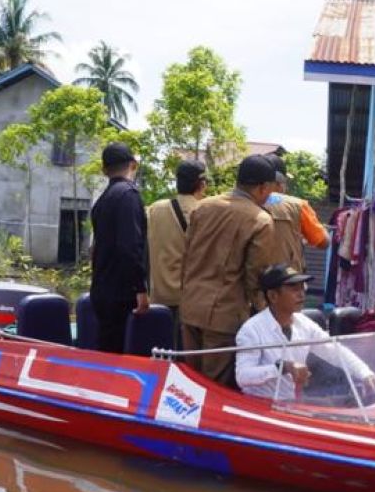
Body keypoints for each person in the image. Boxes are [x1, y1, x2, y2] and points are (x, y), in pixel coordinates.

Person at [180, 155, 279, 387]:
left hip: (190, 308)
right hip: (225, 316)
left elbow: (186, 257)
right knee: (214, 389)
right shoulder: (260, 219)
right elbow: (256, 275)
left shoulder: (202, 207)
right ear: (263, 187)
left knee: (188, 385)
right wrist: (265, 314)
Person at [235, 264, 375, 400]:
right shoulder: (251, 330)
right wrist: (282, 367)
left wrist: (365, 373)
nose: (301, 294)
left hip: (293, 404)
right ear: (273, 296)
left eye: (302, 288)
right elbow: (242, 377)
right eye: (294, 289)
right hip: (260, 406)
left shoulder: (305, 324)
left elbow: (335, 350)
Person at [90, 141, 149, 354]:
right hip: (122, 293)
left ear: (104, 170)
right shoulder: (129, 196)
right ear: (133, 165)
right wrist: (140, 289)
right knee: (121, 354)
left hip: (101, 288)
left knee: (105, 349)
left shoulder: (102, 200)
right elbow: (130, 247)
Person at [147, 159, 209, 332]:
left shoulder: (155, 209)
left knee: (159, 351)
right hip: (189, 299)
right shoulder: (204, 212)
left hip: (158, 297)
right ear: (202, 184)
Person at [264, 156, 329, 270]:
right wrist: (323, 230)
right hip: (284, 280)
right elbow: (323, 242)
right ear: (279, 183)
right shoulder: (298, 205)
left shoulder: (242, 203)